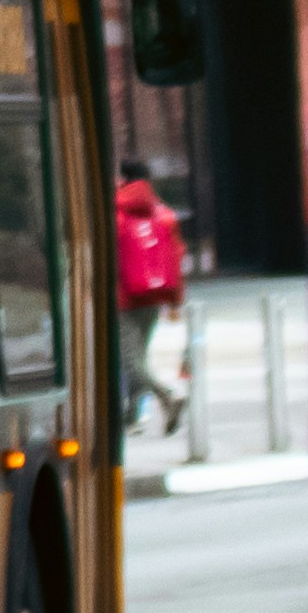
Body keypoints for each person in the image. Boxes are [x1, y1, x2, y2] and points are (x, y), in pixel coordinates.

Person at [112, 167, 190, 438]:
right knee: (138, 358)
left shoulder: (116, 214)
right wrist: (174, 300)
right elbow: (176, 254)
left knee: (130, 361)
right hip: (153, 296)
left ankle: (168, 395)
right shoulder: (162, 213)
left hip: (123, 298)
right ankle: (133, 416)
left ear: (123, 179)